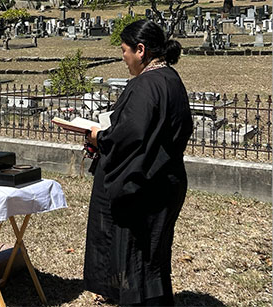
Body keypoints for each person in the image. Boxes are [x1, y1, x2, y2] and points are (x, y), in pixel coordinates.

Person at [83, 20, 193, 306]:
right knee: (154, 257)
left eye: (124, 51)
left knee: (134, 256)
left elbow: (130, 136)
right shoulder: (171, 79)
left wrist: (99, 136)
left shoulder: (144, 85)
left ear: (140, 50)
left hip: (142, 187)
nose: (123, 58)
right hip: (167, 181)